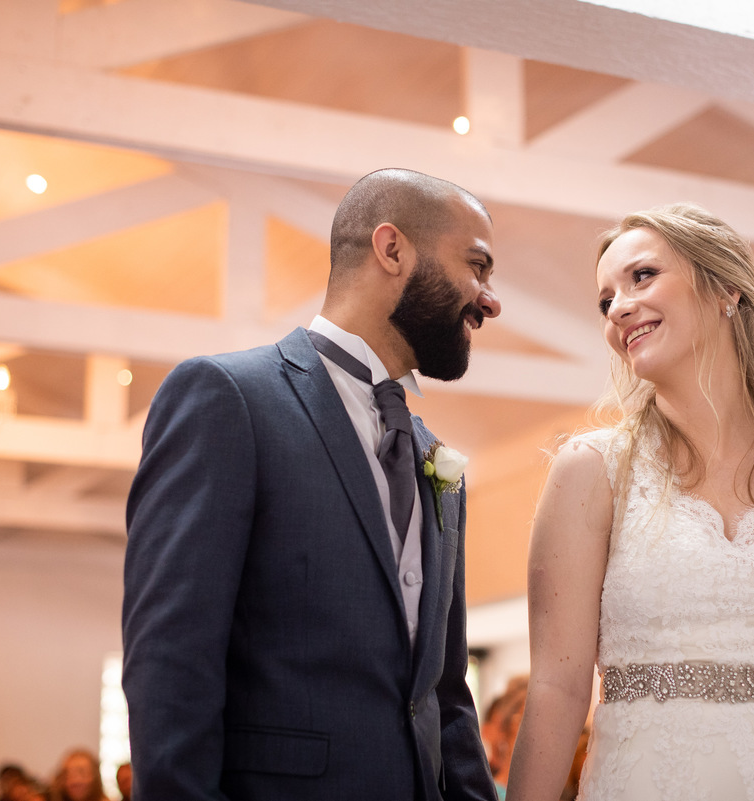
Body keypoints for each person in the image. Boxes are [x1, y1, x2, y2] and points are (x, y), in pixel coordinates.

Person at [123, 168, 502, 801]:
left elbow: (443, 694)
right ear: (392, 249)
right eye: (477, 266)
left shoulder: (435, 460)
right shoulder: (229, 399)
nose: (490, 300)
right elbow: (171, 664)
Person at [505, 203, 754, 800]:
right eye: (605, 300)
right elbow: (557, 690)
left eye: (642, 276)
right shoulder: (591, 471)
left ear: (725, 290)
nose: (618, 309)